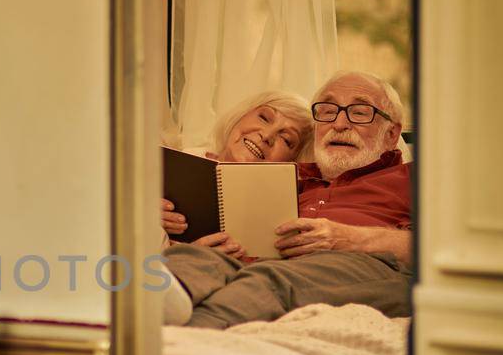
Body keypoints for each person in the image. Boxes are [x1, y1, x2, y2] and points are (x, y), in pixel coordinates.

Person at [161, 71, 412, 329]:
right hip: (263, 266)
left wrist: (350, 238)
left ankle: (178, 336)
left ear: (392, 133)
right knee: (199, 259)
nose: (339, 123)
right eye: (327, 111)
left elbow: (440, 248)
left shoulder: (415, 178)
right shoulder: (289, 177)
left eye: (359, 112)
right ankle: (139, 306)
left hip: (364, 266)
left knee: (268, 279)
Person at [160, 91, 314, 259]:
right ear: (240, 116)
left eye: (286, 139)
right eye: (264, 118)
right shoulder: (174, 160)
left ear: (292, 161)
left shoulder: (281, 212)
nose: (267, 136)